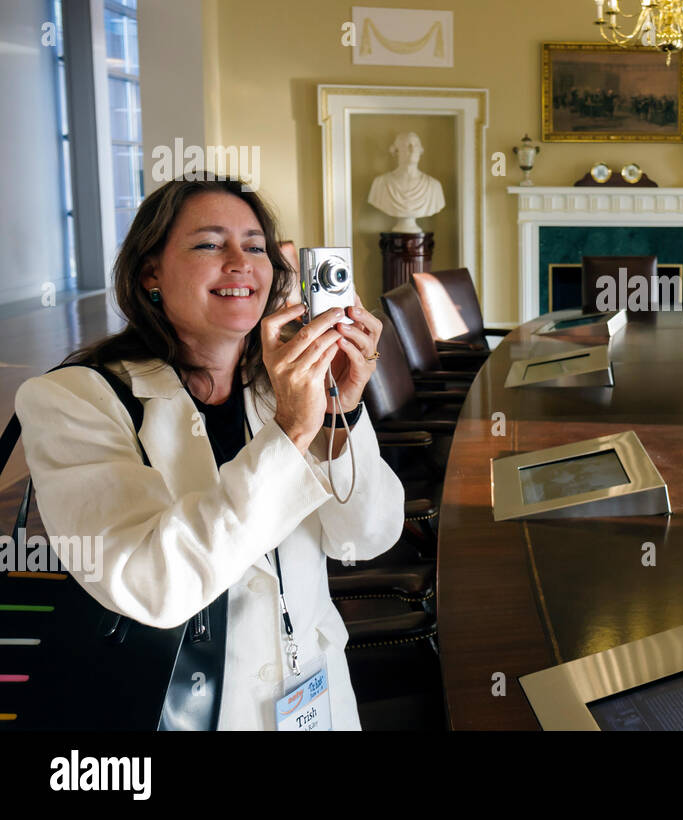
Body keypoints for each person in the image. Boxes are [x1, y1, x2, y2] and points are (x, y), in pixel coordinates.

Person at [13, 175, 405, 730]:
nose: (240, 262)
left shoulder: (279, 385)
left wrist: (342, 411)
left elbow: (369, 536)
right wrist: (292, 430)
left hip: (314, 694)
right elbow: (155, 585)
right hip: (180, 709)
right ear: (151, 273)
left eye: (254, 246)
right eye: (209, 244)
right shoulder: (74, 399)